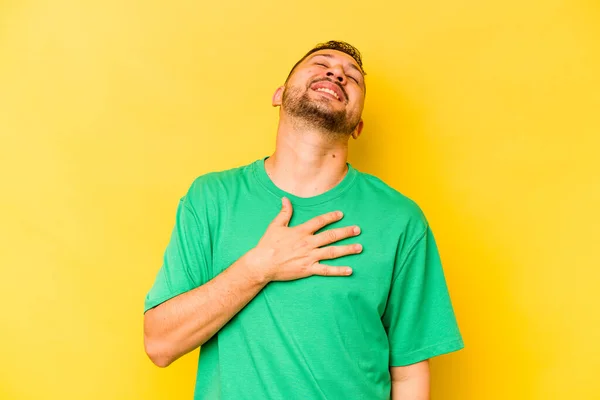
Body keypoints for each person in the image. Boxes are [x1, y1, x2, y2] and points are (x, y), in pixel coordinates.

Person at [143, 40, 464, 400]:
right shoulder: (211, 198)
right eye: (320, 64)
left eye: (352, 77)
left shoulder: (401, 220)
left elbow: (408, 374)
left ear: (358, 125)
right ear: (279, 94)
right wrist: (259, 267)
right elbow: (160, 343)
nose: (336, 73)